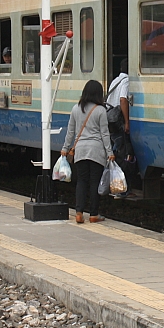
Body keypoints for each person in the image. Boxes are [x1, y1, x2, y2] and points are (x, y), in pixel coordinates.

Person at [60, 80, 115, 224]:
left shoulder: (75, 109)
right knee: (94, 183)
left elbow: (70, 132)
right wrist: (110, 152)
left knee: (82, 181)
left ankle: (78, 213)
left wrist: (65, 149)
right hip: (96, 151)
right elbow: (105, 134)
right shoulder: (100, 110)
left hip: (80, 151)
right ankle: (93, 214)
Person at [106, 59, 130, 155]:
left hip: (110, 119)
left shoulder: (115, 81)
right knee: (121, 148)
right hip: (119, 121)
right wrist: (127, 122)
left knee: (114, 145)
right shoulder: (127, 81)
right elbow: (123, 99)